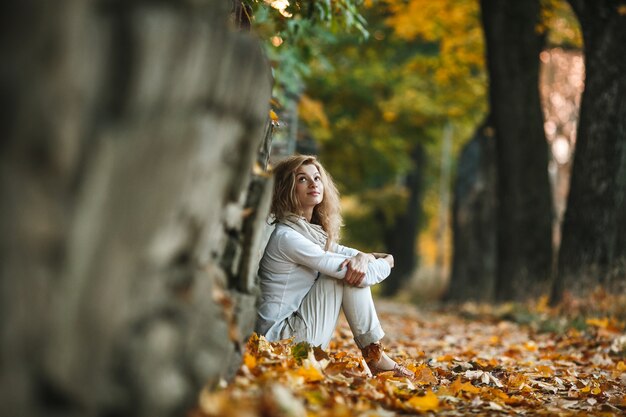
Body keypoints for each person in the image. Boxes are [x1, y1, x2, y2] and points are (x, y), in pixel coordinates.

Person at [255, 154, 414, 378]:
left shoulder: (311, 235)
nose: (313, 184)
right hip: (279, 343)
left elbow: (354, 257)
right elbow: (355, 271)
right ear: (286, 189)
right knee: (343, 274)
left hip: (293, 334)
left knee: (348, 269)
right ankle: (375, 357)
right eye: (302, 179)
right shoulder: (288, 237)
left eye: (317, 178)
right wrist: (384, 262)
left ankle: (375, 356)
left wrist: (366, 257)